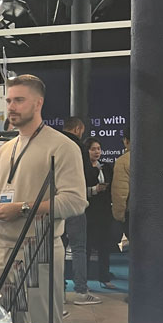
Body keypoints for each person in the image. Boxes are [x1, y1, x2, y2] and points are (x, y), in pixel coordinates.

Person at [0, 75, 87, 323]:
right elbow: (0, 190)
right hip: (0, 247)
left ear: (38, 103)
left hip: (38, 250)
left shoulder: (62, 147)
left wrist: (23, 209)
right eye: (8, 101)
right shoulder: (6, 149)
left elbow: (75, 201)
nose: (11, 107)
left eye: (19, 100)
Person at [61, 117, 99, 305]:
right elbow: (88, 177)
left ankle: (58, 291)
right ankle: (81, 292)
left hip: (55, 202)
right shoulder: (79, 147)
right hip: (75, 202)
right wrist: (95, 170)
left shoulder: (54, 143)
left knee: (57, 248)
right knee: (78, 248)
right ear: (77, 129)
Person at [83, 138, 115, 288]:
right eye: (93, 149)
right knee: (87, 247)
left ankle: (105, 277)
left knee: (104, 246)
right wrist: (94, 190)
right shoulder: (82, 168)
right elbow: (78, 191)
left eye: (99, 149)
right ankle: (84, 281)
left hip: (104, 211)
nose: (97, 152)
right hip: (89, 212)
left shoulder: (106, 167)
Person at [111, 130, 131, 235]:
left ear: (126, 141)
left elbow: (120, 192)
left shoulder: (123, 161)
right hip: (158, 211)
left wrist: (119, 215)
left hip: (133, 213)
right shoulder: (156, 159)